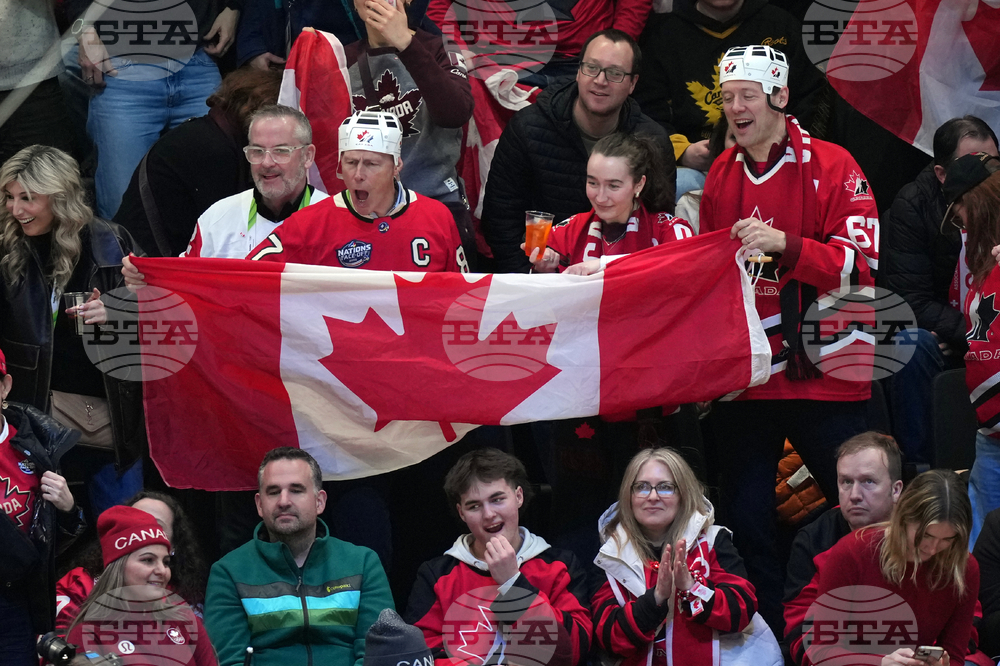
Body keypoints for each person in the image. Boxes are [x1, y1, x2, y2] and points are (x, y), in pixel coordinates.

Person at [699, 44, 878, 631]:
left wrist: (788, 246)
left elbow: (862, 268)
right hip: (749, 380)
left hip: (826, 375)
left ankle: (871, 624)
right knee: (747, 522)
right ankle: (773, 637)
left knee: (863, 514)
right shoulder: (722, 173)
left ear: (779, 96)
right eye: (727, 98)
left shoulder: (835, 163)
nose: (735, 108)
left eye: (746, 95)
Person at [0, 145, 145, 514]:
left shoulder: (112, 244)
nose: (15, 210)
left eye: (28, 198)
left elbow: (164, 325)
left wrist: (118, 314)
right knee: (40, 536)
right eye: (10, 197)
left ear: (60, 198)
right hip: (29, 424)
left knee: (121, 534)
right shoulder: (6, 249)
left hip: (111, 425)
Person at [481, 29, 674, 274]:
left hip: (621, 279)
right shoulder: (527, 128)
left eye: (614, 73)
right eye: (591, 68)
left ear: (633, 83)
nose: (600, 80)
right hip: (540, 279)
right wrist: (532, 281)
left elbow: (660, 226)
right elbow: (500, 219)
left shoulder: (653, 140)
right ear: (578, 71)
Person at [879, 116, 999, 466]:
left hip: (990, 339)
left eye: (992, 163)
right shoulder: (912, 206)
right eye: (972, 166)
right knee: (910, 343)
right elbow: (909, 300)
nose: (987, 177)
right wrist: (972, 335)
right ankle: (919, 472)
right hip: (950, 335)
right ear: (942, 175)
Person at [591, 447, 781, 666]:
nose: (653, 496)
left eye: (665, 487)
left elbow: (742, 610)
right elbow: (608, 638)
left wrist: (692, 588)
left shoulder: (712, 540)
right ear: (628, 495)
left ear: (683, 495)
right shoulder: (609, 553)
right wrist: (656, 600)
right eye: (642, 487)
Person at [205, 447, 394, 666]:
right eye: (273, 492)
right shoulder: (228, 572)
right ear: (259, 504)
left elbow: (379, 654)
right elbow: (230, 661)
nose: (283, 501)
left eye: (296, 490)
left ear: (319, 501)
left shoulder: (363, 563)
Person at [404, 448, 592, 666]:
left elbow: (573, 652)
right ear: (461, 513)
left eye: (497, 499)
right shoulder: (436, 575)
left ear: (519, 496)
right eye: (474, 506)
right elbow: (419, 655)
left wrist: (513, 584)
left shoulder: (560, 565)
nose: (489, 514)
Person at [633, 0, 826, 199]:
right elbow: (647, 111)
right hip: (696, 166)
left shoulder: (781, 26)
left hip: (776, 159)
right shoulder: (664, 34)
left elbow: (808, 100)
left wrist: (778, 147)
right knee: (680, 184)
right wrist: (683, 151)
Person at [75, 0, 240, 219]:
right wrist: (83, 27)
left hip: (198, 60)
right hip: (121, 67)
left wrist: (232, 6)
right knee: (124, 213)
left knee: (222, 208)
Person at [248, 110, 469, 272]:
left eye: (372, 164)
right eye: (351, 162)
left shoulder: (436, 217)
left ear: (396, 166)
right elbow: (246, 279)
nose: (358, 174)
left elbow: (460, 296)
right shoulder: (308, 224)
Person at [344, 0, 476, 265]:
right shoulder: (340, 58)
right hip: (362, 209)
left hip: (436, 203)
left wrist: (405, 42)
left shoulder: (441, 48)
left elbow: (455, 114)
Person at [801, 470, 978, 666]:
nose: (933, 548)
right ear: (903, 518)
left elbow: (955, 654)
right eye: (926, 536)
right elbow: (820, 650)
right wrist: (879, 663)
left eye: (947, 540)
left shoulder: (964, 567)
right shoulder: (852, 552)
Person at [113, 68, 283, 257]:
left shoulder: (209, 134)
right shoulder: (212, 149)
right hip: (144, 268)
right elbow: (230, 236)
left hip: (148, 257)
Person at [783, 433, 904, 664]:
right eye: (846, 482)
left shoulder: (924, 533)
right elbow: (800, 632)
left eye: (868, 481)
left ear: (896, 490)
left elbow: (964, 616)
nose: (855, 495)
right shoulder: (814, 540)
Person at [0, 346, 85, 666]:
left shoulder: (38, 447)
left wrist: (67, 507)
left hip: (16, 602)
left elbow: (55, 542)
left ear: (5, 386)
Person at [64, 505, 217, 666]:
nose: (162, 571)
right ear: (119, 568)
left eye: (166, 562)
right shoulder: (88, 633)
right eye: (148, 560)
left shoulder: (184, 619)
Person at [527, 132, 692, 273]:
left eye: (613, 186)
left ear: (639, 184)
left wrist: (601, 265)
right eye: (593, 183)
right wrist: (545, 270)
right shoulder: (569, 231)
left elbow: (684, 279)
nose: (600, 197)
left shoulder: (670, 231)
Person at [56, 490, 210, 629]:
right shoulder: (78, 584)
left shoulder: (184, 601)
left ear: (174, 545)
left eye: (156, 526)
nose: (144, 530)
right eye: (132, 522)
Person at [951, 153, 1000, 548]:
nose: (961, 224)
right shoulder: (986, 260)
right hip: (991, 432)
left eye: (959, 212)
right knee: (981, 548)